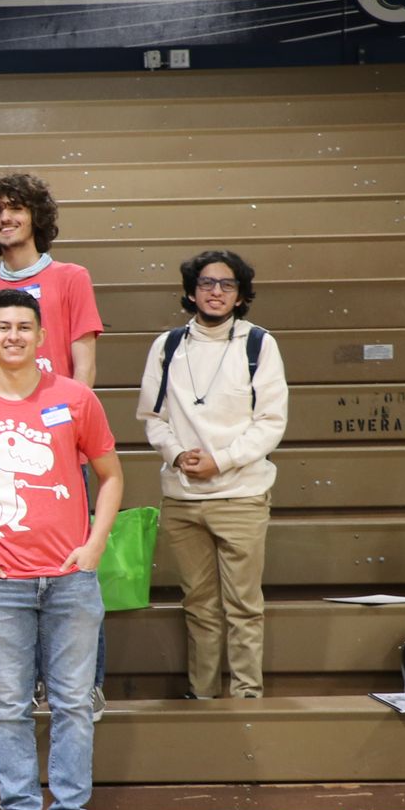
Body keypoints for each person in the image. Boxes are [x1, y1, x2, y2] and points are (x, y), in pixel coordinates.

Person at [0, 289, 122, 810]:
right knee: (10, 703)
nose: (14, 335)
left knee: (72, 701)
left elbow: (111, 476)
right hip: (0, 581)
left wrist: (94, 544)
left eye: (25, 326)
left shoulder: (75, 398)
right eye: (3, 327)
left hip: (70, 577)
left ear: (41, 337)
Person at [136, 250, 286, 700]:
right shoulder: (167, 345)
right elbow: (151, 416)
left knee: (243, 605)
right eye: (206, 283)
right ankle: (202, 697)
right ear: (190, 291)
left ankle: (246, 697)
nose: (216, 292)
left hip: (241, 494)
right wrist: (179, 454)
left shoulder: (259, 344)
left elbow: (271, 422)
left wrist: (221, 460)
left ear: (240, 296)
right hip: (182, 497)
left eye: (227, 285)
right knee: (199, 606)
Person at [0, 173, 103, 384]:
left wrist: (73, 413)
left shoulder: (72, 277)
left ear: (36, 216)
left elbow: (85, 367)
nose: (5, 218)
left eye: (16, 208)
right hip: (2, 414)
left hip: (57, 412)